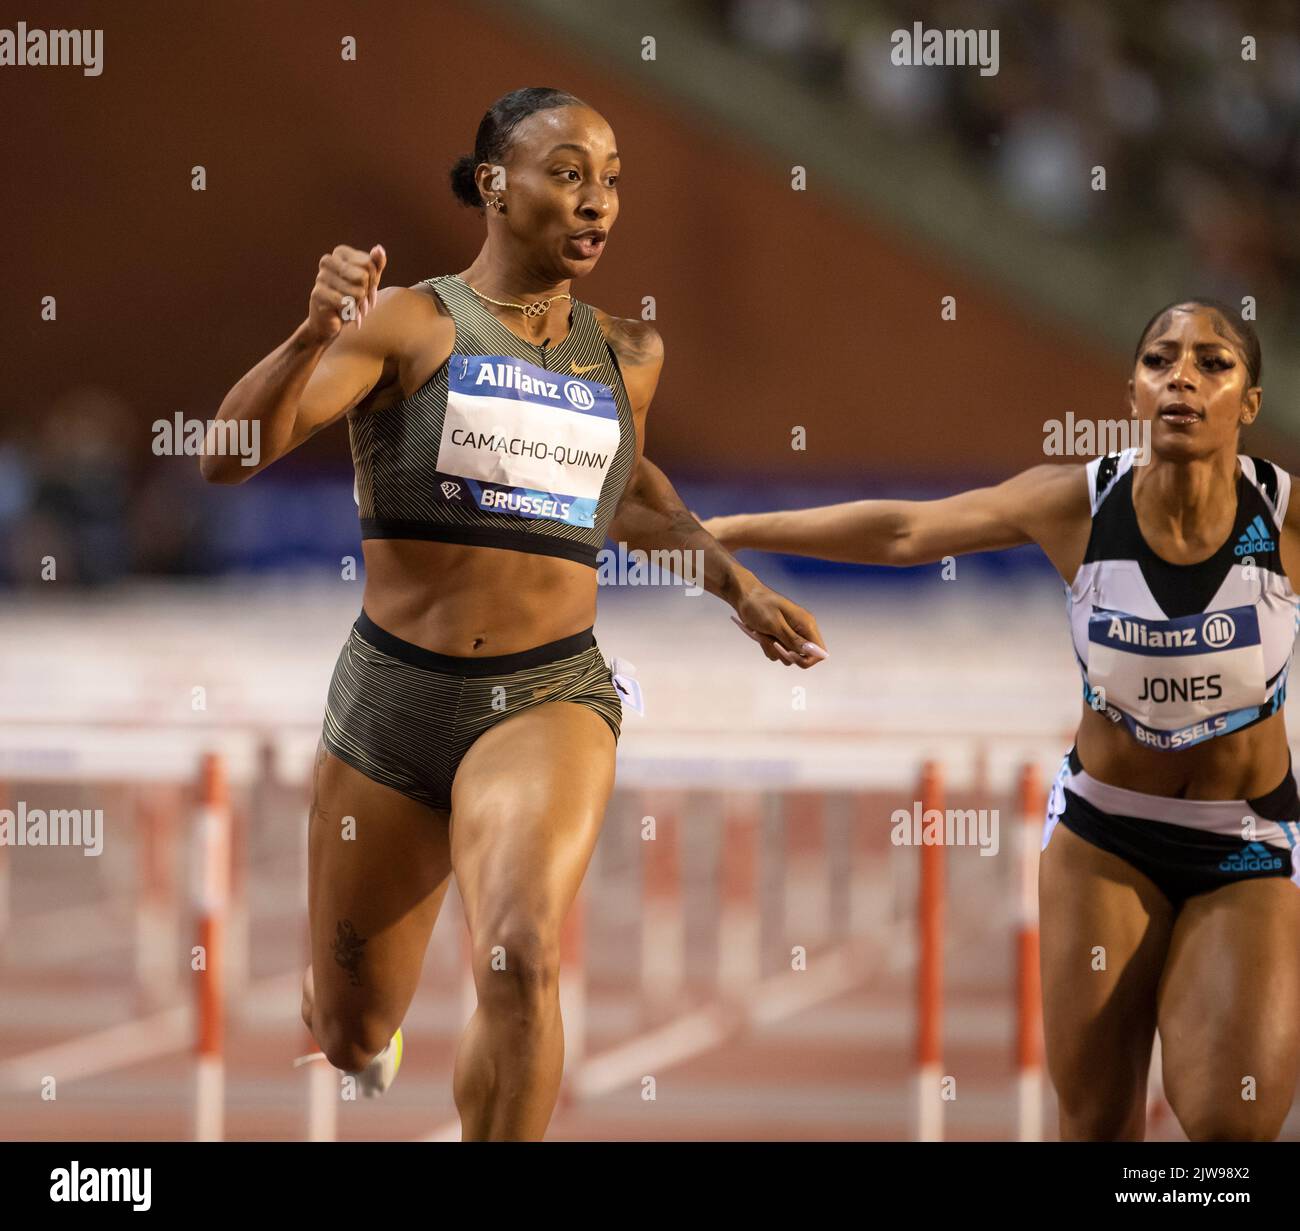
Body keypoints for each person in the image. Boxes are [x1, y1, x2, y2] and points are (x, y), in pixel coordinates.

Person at [201, 86, 826, 1141]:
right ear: (494, 184)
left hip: (544, 696)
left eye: (612, 179)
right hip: (391, 703)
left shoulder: (628, 355)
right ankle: (359, 1034)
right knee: (349, 1027)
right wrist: (312, 335)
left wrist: (737, 585)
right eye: (569, 173)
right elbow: (226, 454)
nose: (598, 203)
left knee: (521, 952)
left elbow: (628, 492)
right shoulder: (411, 323)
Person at [702, 299, 1300, 1141]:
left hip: (1245, 835)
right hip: (1107, 835)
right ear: (1132, 389)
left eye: (1212, 363)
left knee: (1233, 1126)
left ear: (1250, 401)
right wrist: (722, 531)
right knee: (1093, 1123)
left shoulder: (1284, 519)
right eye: (1162, 361)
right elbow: (909, 528)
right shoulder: (1078, 505)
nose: (1183, 379)